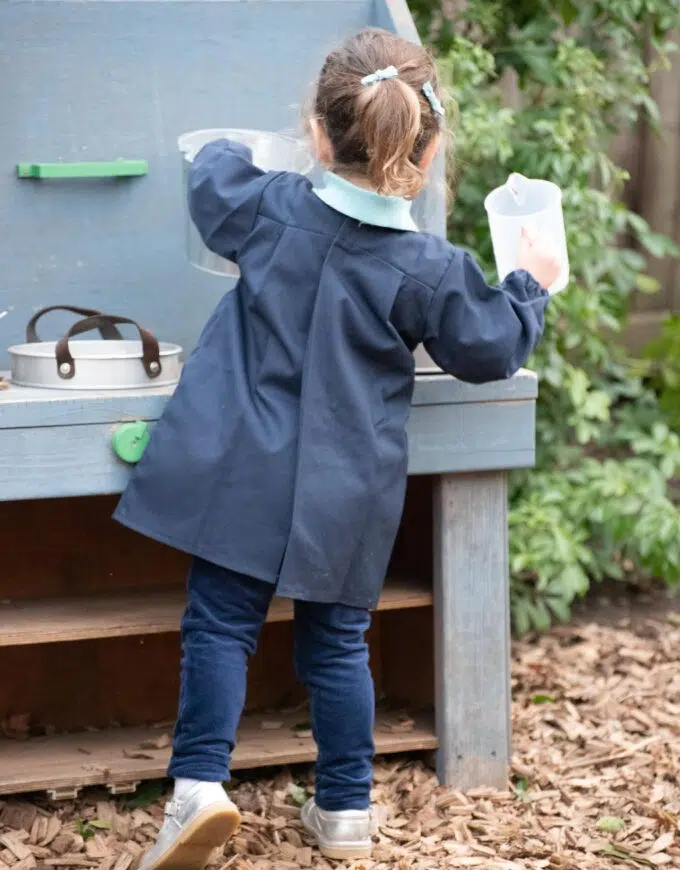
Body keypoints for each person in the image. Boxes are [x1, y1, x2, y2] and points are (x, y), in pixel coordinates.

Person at [114, 26, 558, 870]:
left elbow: (209, 175)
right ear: (422, 158)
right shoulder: (426, 267)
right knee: (336, 642)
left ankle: (200, 789)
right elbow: (490, 347)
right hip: (345, 485)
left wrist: (282, 154)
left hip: (242, 465)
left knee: (218, 627)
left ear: (318, 134)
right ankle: (347, 809)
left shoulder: (269, 208)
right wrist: (529, 282)